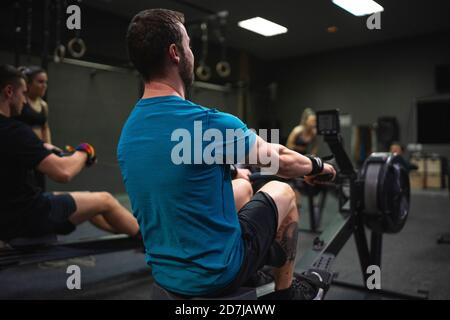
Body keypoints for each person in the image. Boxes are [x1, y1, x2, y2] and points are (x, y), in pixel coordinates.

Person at [118, 9, 335, 300]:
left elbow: (178, 172)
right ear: (175, 53)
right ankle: (286, 293)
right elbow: (279, 160)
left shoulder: (129, 131)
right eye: (189, 45)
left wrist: (234, 171)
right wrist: (317, 166)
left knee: (243, 186)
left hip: (166, 275)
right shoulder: (205, 123)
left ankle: (255, 266)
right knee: (282, 191)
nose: (191, 53)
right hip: (216, 275)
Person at [0, 64, 140, 242]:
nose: (24, 100)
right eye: (22, 93)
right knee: (105, 200)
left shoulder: (15, 130)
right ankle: (153, 240)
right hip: (25, 217)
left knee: (87, 199)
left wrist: (43, 148)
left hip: (11, 210)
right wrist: (84, 151)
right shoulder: (14, 131)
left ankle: (127, 233)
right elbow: (63, 172)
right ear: (9, 92)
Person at [14, 66, 54, 190]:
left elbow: (45, 127)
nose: (44, 86)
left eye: (46, 82)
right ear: (28, 83)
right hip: (23, 152)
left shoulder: (43, 105)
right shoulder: (21, 102)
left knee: (39, 187)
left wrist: (49, 148)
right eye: (40, 82)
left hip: (38, 153)